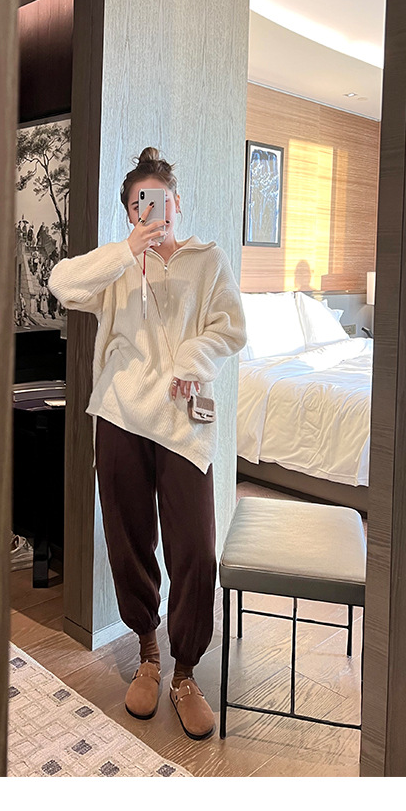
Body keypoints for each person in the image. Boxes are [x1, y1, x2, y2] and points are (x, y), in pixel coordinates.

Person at [48, 147, 246, 740]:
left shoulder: (208, 262)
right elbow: (61, 283)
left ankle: (185, 672)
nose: (150, 211)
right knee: (128, 541)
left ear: (176, 202)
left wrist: (192, 359)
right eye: (138, 204)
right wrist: (126, 250)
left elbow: (230, 328)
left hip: (183, 422)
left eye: (157, 200)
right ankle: (148, 655)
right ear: (130, 212)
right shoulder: (117, 266)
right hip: (121, 415)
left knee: (195, 550)